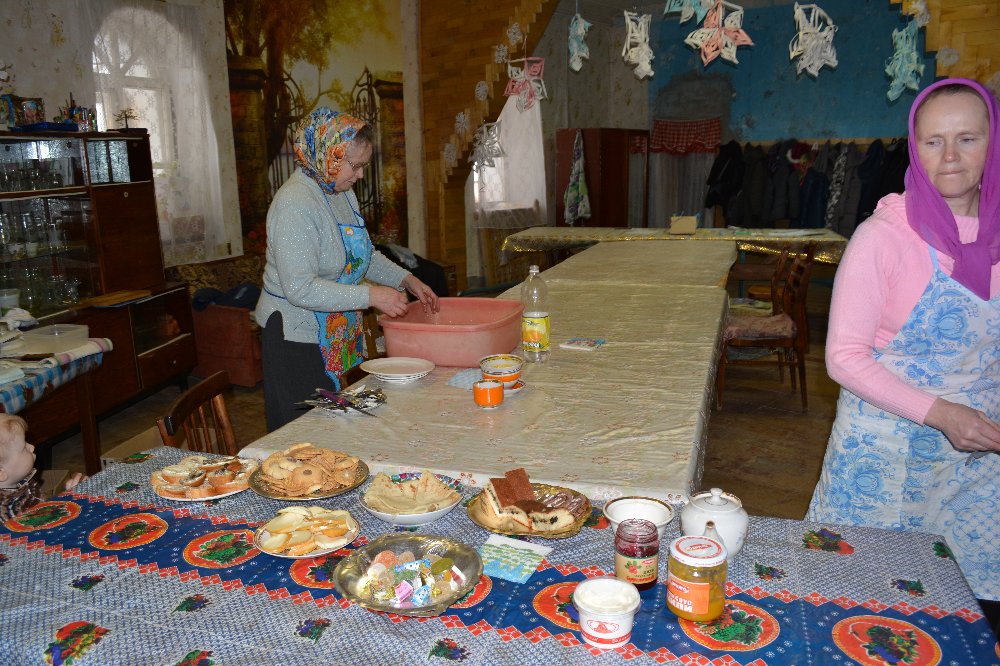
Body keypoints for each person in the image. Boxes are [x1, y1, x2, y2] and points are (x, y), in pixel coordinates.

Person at [807, 78, 1000, 627]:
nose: (950, 157)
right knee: (864, 611)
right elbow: (844, 357)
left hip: (978, 466)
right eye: (934, 141)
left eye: (967, 139)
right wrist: (943, 414)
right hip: (884, 462)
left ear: (993, 143)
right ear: (915, 149)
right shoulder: (884, 237)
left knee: (970, 615)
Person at [254, 108, 439, 431]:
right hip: (295, 336)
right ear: (329, 155)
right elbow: (300, 289)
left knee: (337, 427)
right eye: (355, 165)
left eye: (364, 165)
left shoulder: (340, 192)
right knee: (304, 433)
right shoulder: (294, 204)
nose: (360, 175)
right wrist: (371, 295)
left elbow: (363, 254)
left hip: (331, 332)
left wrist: (407, 279)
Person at [0, 415, 85, 521]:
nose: (32, 447)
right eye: (24, 448)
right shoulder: (7, 512)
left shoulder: (21, 482)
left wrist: (67, 493)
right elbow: (45, 524)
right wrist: (71, 499)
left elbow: (45, 508)